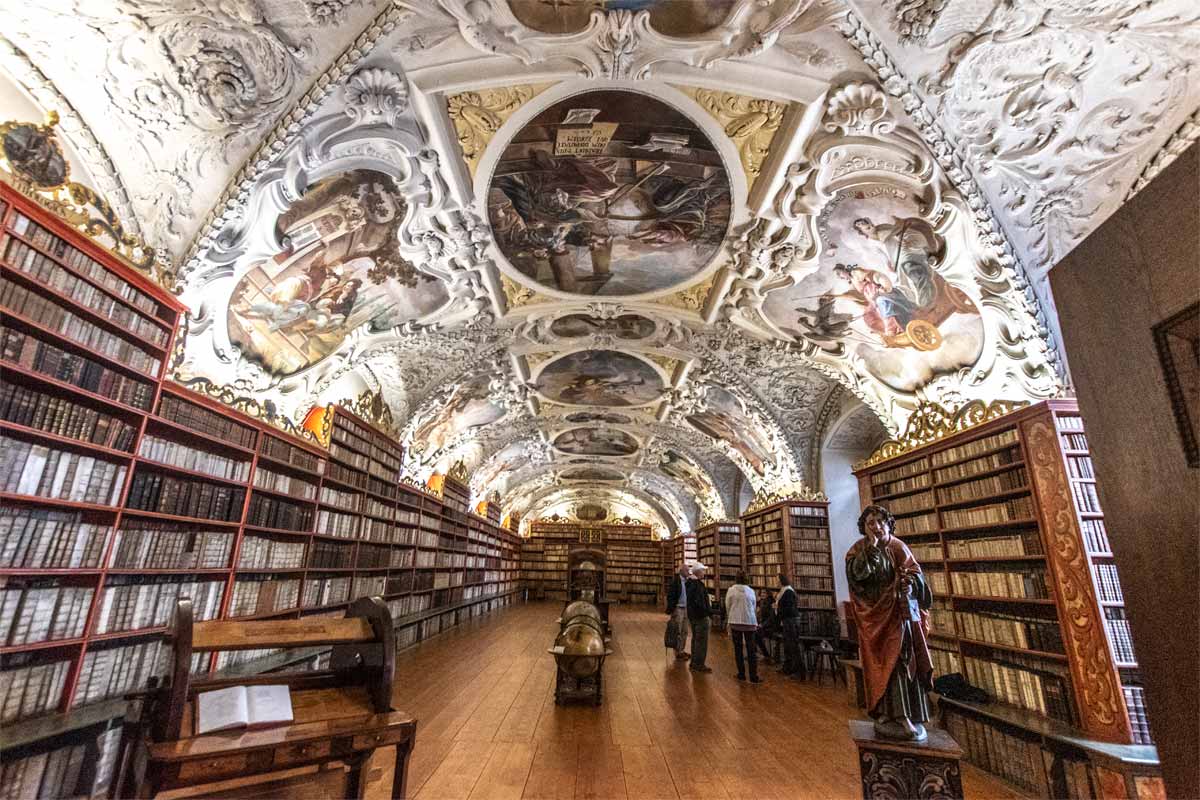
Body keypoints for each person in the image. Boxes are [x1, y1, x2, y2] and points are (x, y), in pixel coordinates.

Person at [846, 504, 934, 741]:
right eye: (870, 523)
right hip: (875, 617)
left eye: (880, 522)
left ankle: (907, 714)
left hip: (899, 616)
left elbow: (917, 576)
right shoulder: (858, 550)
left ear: (888, 523)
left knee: (902, 663)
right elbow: (857, 577)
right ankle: (885, 710)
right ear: (864, 527)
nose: (876, 526)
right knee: (881, 662)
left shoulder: (898, 547)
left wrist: (910, 583)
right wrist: (872, 551)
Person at [724, 572, 760, 683]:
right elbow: (754, 606)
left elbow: (727, 605)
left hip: (735, 621)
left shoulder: (731, 590)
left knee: (738, 649)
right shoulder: (751, 591)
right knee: (751, 650)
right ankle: (753, 676)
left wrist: (730, 616)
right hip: (750, 621)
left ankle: (741, 674)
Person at [775, 573, 805, 678]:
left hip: (791, 621)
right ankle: (787, 668)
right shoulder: (784, 591)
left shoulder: (788, 592)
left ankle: (798, 671)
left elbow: (789, 608)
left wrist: (777, 608)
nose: (776, 582)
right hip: (787, 621)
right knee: (788, 645)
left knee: (793, 646)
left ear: (782, 580)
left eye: (777, 580)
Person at [685, 563, 714, 673]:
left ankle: (694, 662)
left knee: (696, 639)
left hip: (693, 616)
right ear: (697, 572)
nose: (704, 573)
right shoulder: (696, 584)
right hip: (700, 616)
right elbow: (699, 602)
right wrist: (707, 612)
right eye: (702, 571)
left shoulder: (690, 583)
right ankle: (699, 664)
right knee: (701, 641)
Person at [664, 562, 691, 661]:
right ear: (681, 571)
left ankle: (682, 650)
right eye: (686, 570)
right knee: (677, 631)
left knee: (685, 631)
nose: (688, 572)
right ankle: (677, 652)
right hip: (678, 608)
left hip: (686, 608)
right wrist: (673, 608)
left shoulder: (688, 582)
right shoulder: (675, 581)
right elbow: (670, 596)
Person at [756, 589, 778, 662]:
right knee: (752, 632)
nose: (762, 594)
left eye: (764, 593)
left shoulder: (771, 602)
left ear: (768, 594)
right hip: (763, 625)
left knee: (755, 634)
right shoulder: (761, 602)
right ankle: (758, 654)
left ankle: (765, 655)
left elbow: (771, 617)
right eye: (761, 592)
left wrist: (762, 624)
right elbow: (759, 615)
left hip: (770, 626)